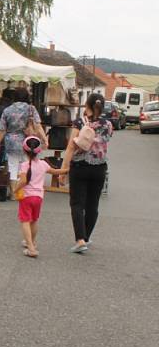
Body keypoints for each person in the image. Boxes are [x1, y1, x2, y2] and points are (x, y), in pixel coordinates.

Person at [60, 93, 113, 253]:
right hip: (100, 168)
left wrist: (63, 170)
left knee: (77, 203)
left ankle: (80, 239)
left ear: (87, 105)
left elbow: (71, 147)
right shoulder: (108, 125)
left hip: (80, 166)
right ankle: (87, 237)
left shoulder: (80, 122)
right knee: (93, 204)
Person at [14, 136, 67, 258]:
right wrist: (67, 169)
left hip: (26, 196)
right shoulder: (43, 164)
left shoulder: (24, 165)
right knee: (34, 220)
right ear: (39, 151)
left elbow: (23, 181)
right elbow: (56, 171)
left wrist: (15, 189)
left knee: (25, 221)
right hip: (38, 197)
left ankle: (31, 248)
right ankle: (32, 242)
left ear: (24, 150)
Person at [0, 88, 48, 195]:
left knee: (13, 166)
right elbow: (38, 126)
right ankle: (24, 192)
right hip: (28, 142)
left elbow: (2, 129)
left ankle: (14, 193)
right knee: (25, 166)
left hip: (11, 141)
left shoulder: (7, 110)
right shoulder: (31, 109)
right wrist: (45, 139)